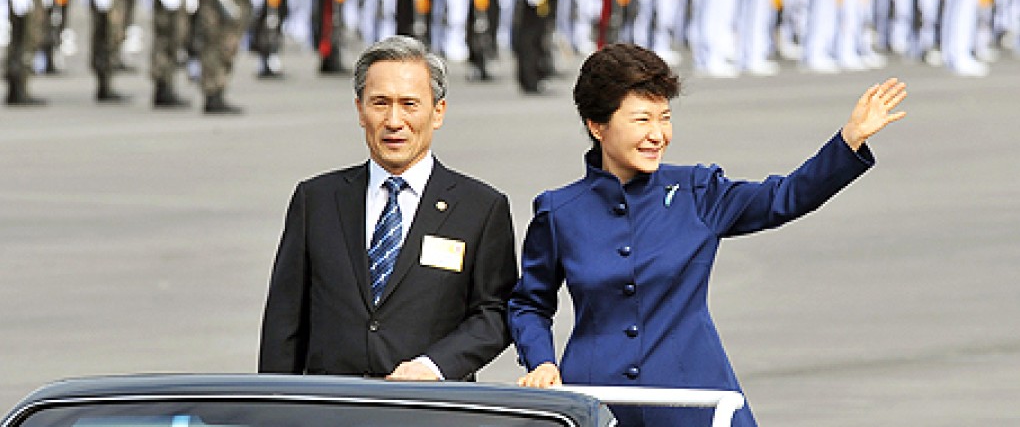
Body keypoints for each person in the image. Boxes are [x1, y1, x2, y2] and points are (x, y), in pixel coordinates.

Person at [508, 43, 907, 427]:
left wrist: (849, 141)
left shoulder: (698, 192)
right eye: (642, 119)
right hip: (597, 404)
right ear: (598, 125)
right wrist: (542, 362)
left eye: (664, 118)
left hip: (694, 400)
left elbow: (783, 197)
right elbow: (529, 303)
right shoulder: (560, 212)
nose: (658, 134)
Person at [259, 35, 518, 380]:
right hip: (333, 410)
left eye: (409, 104)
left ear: (437, 112)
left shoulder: (481, 208)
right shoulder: (316, 200)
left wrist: (433, 366)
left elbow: (495, 313)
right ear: (360, 110)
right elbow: (284, 321)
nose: (394, 121)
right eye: (380, 103)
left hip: (430, 410)